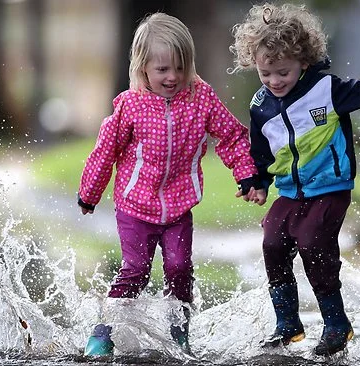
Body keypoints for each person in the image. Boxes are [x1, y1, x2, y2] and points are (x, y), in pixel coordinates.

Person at [229, 2, 360, 357]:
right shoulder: (261, 104)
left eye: (283, 72)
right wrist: (258, 181)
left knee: (313, 243)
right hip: (291, 191)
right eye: (266, 74)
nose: (274, 81)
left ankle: (336, 323)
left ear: (304, 62)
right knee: (272, 243)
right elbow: (262, 151)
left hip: (330, 188)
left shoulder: (327, 90)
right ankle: (287, 322)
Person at [77, 12, 259, 356]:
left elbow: (232, 136)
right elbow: (105, 150)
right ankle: (104, 331)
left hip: (179, 206)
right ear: (142, 67)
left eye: (180, 67)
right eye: (162, 70)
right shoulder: (130, 105)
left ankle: (179, 333)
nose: (173, 77)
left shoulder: (201, 97)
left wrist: (246, 175)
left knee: (179, 269)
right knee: (136, 270)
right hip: (135, 207)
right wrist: (89, 193)